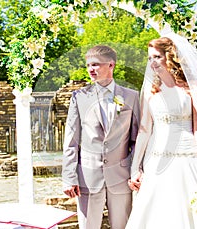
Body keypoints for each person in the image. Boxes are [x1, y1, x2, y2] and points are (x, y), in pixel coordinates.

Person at [126, 33, 197, 228]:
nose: (152, 62)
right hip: (157, 160)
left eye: (157, 57)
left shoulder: (191, 87)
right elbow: (144, 130)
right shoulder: (150, 91)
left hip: (189, 158)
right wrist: (135, 168)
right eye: (149, 58)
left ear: (169, 56)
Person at [62, 45, 140, 229]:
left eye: (96, 64)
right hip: (88, 177)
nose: (90, 69)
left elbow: (137, 140)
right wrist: (69, 177)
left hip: (121, 177)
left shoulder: (132, 97)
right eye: (88, 65)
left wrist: (135, 170)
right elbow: (71, 140)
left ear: (111, 65)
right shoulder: (79, 97)